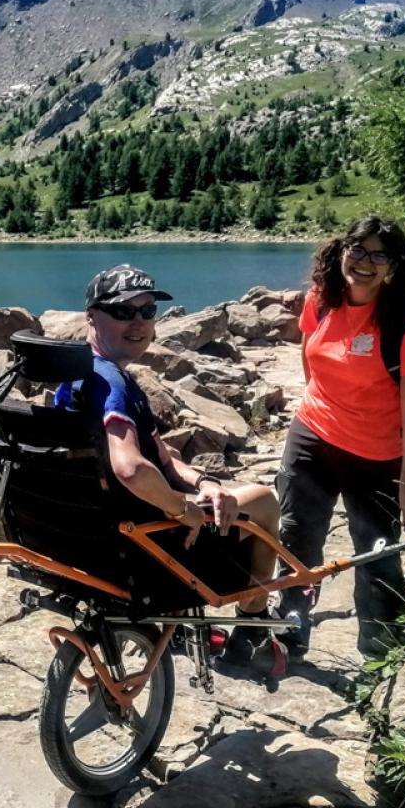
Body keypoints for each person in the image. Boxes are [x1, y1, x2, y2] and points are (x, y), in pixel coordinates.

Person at [58, 265, 284, 666]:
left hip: (91, 531)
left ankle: (188, 624)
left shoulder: (74, 377)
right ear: (91, 317)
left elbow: (161, 458)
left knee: (228, 494)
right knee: (264, 501)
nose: (139, 323)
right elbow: (130, 468)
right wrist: (183, 509)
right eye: (124, 312)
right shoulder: (113, 387)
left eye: (147, 312)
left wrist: (207, 482)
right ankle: (252, 620)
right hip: (147, 541)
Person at [277, 216, 405, 660]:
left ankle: (382, 652)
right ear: (342, 250)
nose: (364, 262)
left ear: (393, 264)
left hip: (375, 454)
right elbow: (310, 358)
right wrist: (320, 404)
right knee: (295, 537)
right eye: (358, 250)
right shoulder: (321, 299)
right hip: (313, 436)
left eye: (378, 254)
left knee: (376, 554)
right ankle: (290, 632)